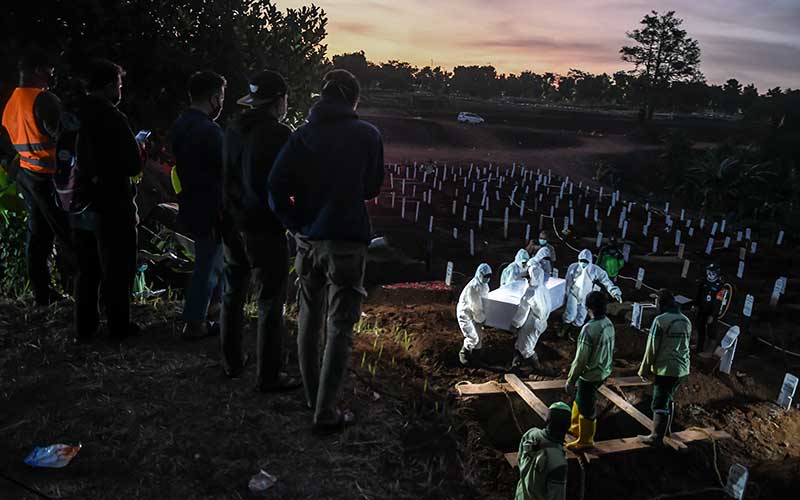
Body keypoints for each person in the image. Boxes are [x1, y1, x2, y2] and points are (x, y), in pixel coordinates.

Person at [268, 69, 384, 432]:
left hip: (308, 241)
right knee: (340, 326)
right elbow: (370, 188)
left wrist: (294, 223)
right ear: (353, 99)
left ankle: (310, 395)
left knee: (308, 317)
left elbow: (274, 185)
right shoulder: (367, 135)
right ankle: (325, 411)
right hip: (347, 242)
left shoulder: (302, 135)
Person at [220, 70, 299, 391]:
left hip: (231, 222)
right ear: (278, 100)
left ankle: (231, 361)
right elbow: (289, 182)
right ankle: (269, 375)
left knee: (232, 293)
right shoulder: (279, 134)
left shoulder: (233, 128)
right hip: (263, 227)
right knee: (269, 300)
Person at [70, 59, 143, 342]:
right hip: (112, 201)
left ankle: (84, 328)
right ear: (110, 84)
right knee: (117, 265)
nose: (121, 89)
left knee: (87, 269)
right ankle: (118, 325)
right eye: (120, 84)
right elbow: (133, 163)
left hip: (80, 199)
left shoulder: (74, 114)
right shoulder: (111, 117)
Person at [1, 48, 72, 306]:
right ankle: (83, 292)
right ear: (37, 70)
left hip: (27, 176)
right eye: (48, 68)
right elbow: (64, 138)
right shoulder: (44, 100)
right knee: (68, 235)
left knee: (38, 235)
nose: (52, 73)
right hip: (49, 179)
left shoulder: (12, 102)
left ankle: (42, 294)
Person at [169, 71, 226, 339]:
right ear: (214, 97)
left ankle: (214, 310)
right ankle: (195, 322)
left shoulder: (181, 124)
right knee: (209, 263)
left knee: (213, 260)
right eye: (222, 97)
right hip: (210, 204)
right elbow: (226, 170)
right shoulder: (211, 131)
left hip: (190, 201)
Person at [638, 289, 691, 446]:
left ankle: (656, 437)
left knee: (660, 402)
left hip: (666, 369)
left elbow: (651, 348)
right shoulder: (686, 320)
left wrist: (644, 369)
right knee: (668, 398)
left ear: (661, 303)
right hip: (682, 368)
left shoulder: (660, 321)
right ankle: (666, 430)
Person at [564, 291, 615, 450]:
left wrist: (571, 380)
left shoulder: (589, 329)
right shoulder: (608, 323)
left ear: (588, 308)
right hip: (603, 371)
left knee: (587, 407)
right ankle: (575, 428)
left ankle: (586, 441)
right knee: (581, 398)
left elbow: (580, 359)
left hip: (590, 375)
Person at [514, 401, 571, 500]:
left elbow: (520, 461)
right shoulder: (559, 463)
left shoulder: (531, 434)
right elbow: (557, 497)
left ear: (547, 420)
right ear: (568, 426)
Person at [561, 249, 621, 339]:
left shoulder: (594, 270)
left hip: (586, 296)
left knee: (580, 318)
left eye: (585, 261)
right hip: (573, 293)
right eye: (581, 261)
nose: (583, 263)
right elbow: (567, 281)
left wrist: (614, 291)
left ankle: (573, 333)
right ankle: (563, 329)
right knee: (570, 314)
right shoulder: (573, 267)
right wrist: (565, 294)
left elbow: (605, 280)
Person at [510, 262, 551, 371]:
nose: (527, 279)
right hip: (542, 322)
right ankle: (515, 366)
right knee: (520, 344)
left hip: (532, 323)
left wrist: (515, 324)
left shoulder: (530, 291)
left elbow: (522, 311)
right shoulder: (544, 289)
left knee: (525, 348)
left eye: (528, 277)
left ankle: (538, 368)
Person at [456, 263, 492, 366]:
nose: (487, 279)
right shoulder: (474, 288)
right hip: (465, 314)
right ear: (480, 274)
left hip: (475, 314)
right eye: (486, 276)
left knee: (479, 337)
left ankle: (476, 359)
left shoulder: (484, 285)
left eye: (489, 276)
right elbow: (476, 308)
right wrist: (484, 319)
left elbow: (484, 301)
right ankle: (464, 354)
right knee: (473, 337)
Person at [691, 263, 724, 354]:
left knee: (711, 331)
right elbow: (699, 294)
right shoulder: (704, 282)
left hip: (711, 312)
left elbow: (718, 303)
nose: (709, 275)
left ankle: (710, 350)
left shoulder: (720, 286)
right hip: (702, 309)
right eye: (708, 272)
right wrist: (695, 304)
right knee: (699, 327)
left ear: (716, 274)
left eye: (712, 273)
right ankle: (699, 347)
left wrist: (712, 315)